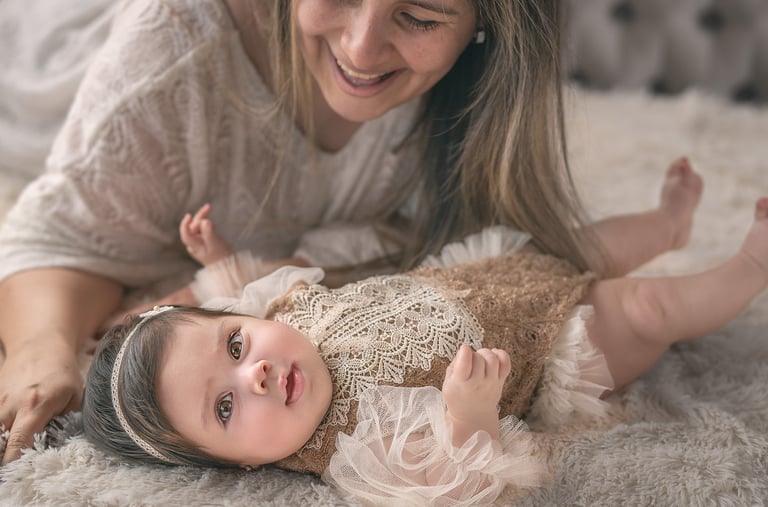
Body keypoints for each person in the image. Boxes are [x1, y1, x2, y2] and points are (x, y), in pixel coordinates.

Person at [0, 0, 602, 464]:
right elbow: (56, 236)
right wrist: (42, 348)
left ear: (488, 21)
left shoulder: (482, 96)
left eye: (418, 16)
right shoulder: (173, 58)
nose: (361, 50)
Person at [81, 162, 768, 505]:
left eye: (234, 345)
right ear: (242, 466)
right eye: (225, 407)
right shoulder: (356, 442)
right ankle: (748, 266)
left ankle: (665, 225)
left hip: (493, 279)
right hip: (553, 348)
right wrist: (469, 411)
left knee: (584, 245)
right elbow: (463, 483)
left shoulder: (280, 316)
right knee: (644, 307)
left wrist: (217, 260)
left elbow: (243, 290)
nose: (252, 371)